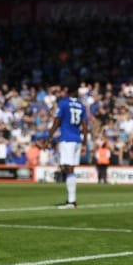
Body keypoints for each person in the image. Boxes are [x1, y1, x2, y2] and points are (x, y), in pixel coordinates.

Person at [44, 78, 89, 208]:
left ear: (67, 90)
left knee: (68, 168)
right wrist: (85, 143)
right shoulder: (81, 105)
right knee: (70, 168)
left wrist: (49, 138)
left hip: (67, 139)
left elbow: (57, 121)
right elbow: (85, 126)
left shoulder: (64, 103)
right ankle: (71, 200)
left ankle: (71, 201)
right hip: (77, 139)